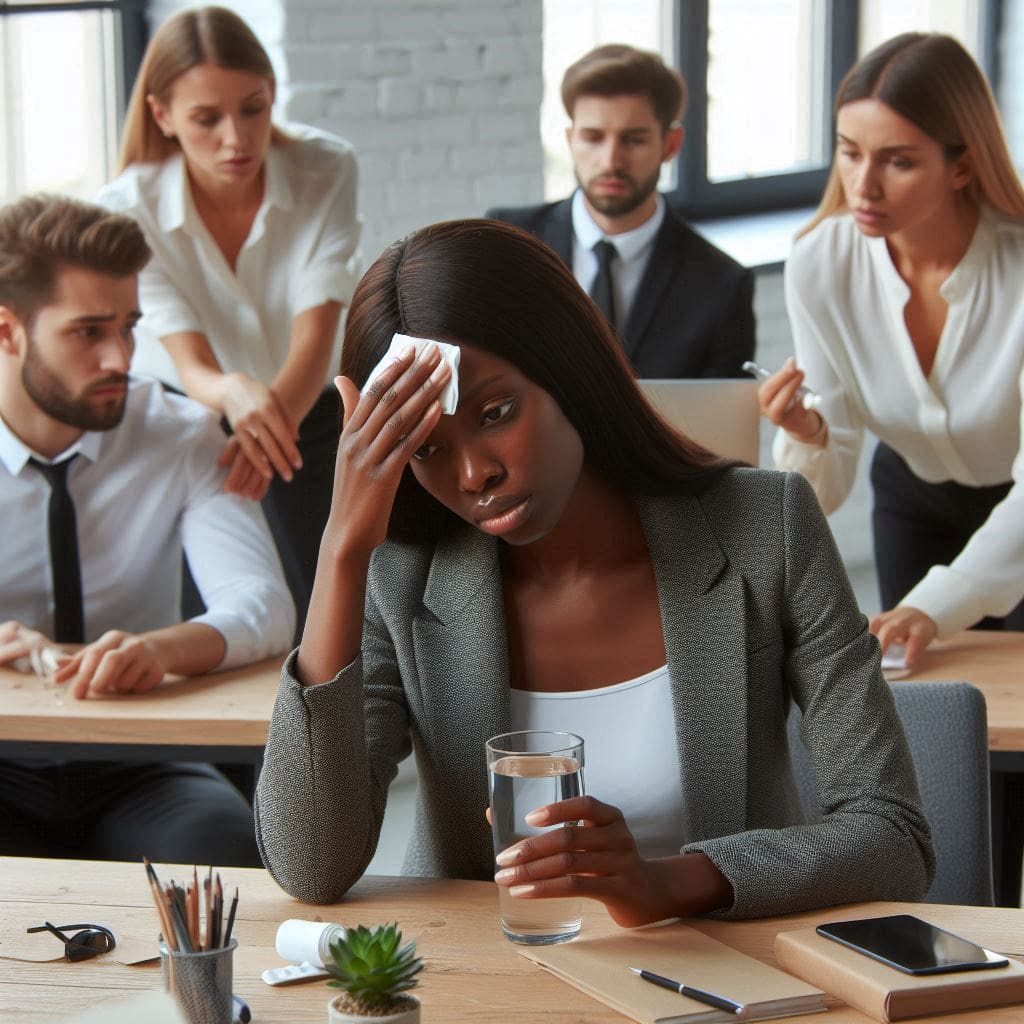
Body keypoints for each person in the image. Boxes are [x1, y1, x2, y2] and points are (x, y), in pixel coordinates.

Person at [254, 219, 933, 921]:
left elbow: (893, 836)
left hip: (719, 982)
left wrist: (668, 882)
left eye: (496, 411)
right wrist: (340, 552)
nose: (474, 472)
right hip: (491, 985)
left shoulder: (767, 527)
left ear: (568, 371)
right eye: (424, 450)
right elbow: (311, 864)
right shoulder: (403, 577)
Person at [0, 194, 295, 865]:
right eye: (88, 332)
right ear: (8, 330)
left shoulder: (180, 433)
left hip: (138, 763)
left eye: (129, 327)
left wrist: (160, 650)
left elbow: (265, 608)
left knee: (228, 863)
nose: (120, 358)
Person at [761, 32, 1024, 669]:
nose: (863, 186)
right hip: (913, 500)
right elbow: (835, 459)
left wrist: (941, 600)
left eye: (897, 161)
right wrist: (811, 434)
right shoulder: (820, 262)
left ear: (961, 165)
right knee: (919, 707)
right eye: (850, 153)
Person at [98, 5, 362, 637]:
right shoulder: (126, 207)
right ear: (162, 115)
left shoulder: (327, 168)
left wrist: (268, 427)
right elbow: (190, 363)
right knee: (217, 613)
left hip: (309, 417)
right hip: (193, 423)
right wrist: (235, 394)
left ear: (272, 94)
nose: (237, 139)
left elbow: (318, 332)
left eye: (253, 108)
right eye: (206, 118)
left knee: (327, 607)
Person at [487, 44, 755, 380]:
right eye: (593, 137)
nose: (611, 161)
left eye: (634, 140)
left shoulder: (722, 286)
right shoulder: (504, 242)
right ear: (571, 139)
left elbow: (719, 426)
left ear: (670, 144)